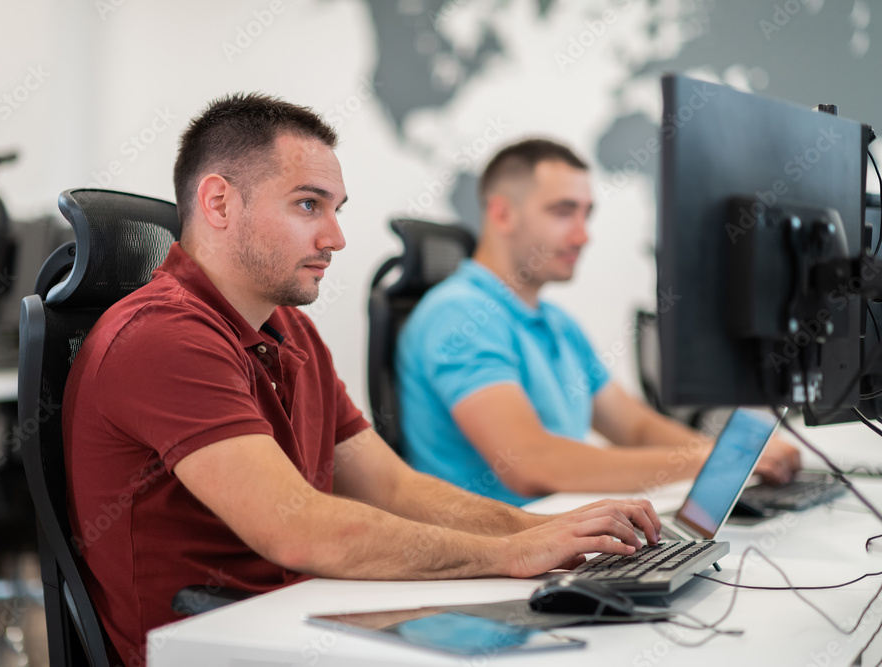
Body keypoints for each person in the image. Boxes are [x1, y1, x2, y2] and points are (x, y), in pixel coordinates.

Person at [63, 96, 663, 664]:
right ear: (219, 203)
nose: (336, 237)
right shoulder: (162, 336)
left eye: (335, 210)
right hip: (217, 646)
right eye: (307, 205)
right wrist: (510, 553)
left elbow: (396, 489)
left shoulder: (291, 331)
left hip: (302, 621)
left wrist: (550, 533)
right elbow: (294, 528)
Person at [396, 138, 801, 507]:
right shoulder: (458, 315)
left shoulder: (556, 323)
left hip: (558, 534)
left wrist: (735, 460)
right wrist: (719, 460)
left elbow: (635, 428)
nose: (582, 235)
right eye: (563, 212)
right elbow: (532, 464)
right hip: (498, 559)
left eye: (586, 214)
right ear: (502, 214)